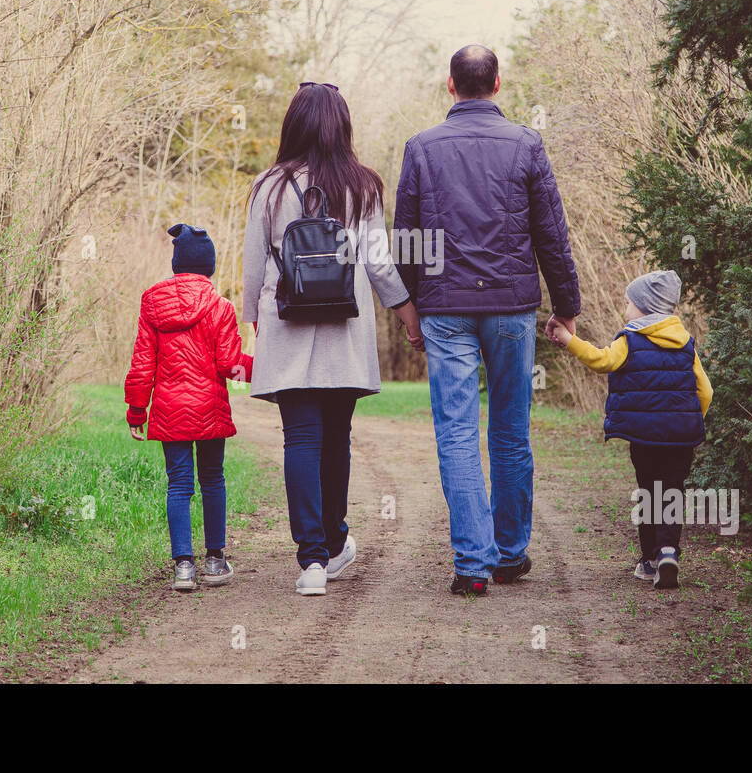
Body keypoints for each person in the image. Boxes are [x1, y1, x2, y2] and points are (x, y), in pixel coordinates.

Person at [394, 44, 581, 596]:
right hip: (511, 307)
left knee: (456, 431)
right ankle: (508, 554)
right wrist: (566, 306)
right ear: (497, 84)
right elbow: (552, 234)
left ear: (450, 86)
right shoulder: (526, 143)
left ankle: (472, 565)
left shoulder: (422, 148)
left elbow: (407, 239)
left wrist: (411, 307)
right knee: (509, 429)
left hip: (446, 308)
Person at [242, 81, 425, 597]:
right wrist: (409, 316)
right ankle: (335, 540)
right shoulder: (361, 185)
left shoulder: (268, 186)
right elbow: (379, 264)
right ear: (342, 126)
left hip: (287, 324)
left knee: (300, 437)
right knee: (337, 439)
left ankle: (314, 560)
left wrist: (253, 317)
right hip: (345, 330)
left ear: (293, 124)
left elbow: (253, 264)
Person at [548, 269, 712, 589]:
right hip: (680, 437)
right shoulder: (686, 344)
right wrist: (691, 420)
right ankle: (668, 552)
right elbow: (705, 391)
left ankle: (649, 561)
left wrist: (569, 340)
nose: (625, 309)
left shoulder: (630, 339)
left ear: (644, 307)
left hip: (644, 436)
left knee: (649, 492)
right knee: (672, 492)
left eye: (628, 303)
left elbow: (601, 361)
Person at [124, 224, 253, 592]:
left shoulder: (152, 303)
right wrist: (264, 369)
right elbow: (231, 365)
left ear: (176, 264)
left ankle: (183, 567)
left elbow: (142, 363)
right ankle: (215, 561)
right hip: (209, 408)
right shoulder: (221, 306)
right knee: (212, 479)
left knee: (178, 484)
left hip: (168, 410)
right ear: (209, 267)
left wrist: (137, 410)